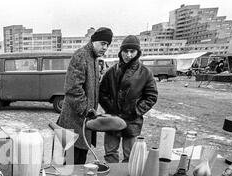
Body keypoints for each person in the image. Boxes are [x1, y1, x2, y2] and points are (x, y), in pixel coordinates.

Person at [57, 27, 113, 165]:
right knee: (70, 164)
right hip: (74, 122)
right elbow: (73, 88)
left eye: (107, 44)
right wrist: (87, 110)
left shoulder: (93, 58)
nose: (105, 48)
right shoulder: (81, 56)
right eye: (102, 43)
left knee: (79, 161)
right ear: (93, 41)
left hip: (83, 122)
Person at [99, 35, 158, 163]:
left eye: (132, 51)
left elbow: (151, 96)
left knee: (130, 156)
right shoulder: (112, 71)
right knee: (110, 154)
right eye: (126, 51)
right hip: (112, 120)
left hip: (132, 122)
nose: (129, 55)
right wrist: (111, 108)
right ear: (121, 52)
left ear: (138, 53)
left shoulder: (145, 73)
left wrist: (135, 110)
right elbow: (102, 93)